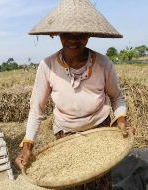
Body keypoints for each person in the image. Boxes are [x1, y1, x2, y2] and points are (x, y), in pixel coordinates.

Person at [15, 0, 135, 189]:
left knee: (101, 183)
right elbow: (36, 110)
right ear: (57, 34)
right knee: (70, 184)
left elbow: (116, 97)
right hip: (66, 135)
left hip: (100, 131)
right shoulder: (47, 66)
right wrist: (28, 146)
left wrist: (121, 120)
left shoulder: (103, 63)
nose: (73, 39)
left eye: (81, 34)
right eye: (67, 34)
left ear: (89, 36)